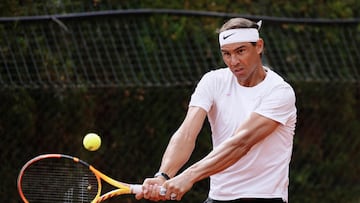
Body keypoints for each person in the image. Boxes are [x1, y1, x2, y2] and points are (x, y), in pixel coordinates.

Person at [136, 17, 297, 203]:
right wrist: (164, 175)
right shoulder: (213, 81)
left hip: (264, 197)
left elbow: (241, 143)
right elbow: (187, 133)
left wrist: (189, 176)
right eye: (226, 54)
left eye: (241, 51)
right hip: (218, 197)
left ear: (259, 46)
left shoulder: (279, 92)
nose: (233, 61)